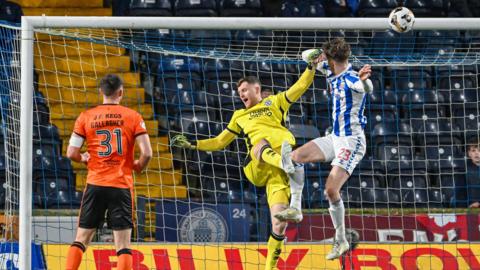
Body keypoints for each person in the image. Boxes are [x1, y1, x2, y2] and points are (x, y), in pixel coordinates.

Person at [171, 50, 321, 270]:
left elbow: (299, 87)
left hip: (277, 175)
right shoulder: (239, 116)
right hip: (257, 165)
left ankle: (269, 267)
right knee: (259, 143)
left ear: (256, 88)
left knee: (279, 223)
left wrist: (311, 67)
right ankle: (284, 161)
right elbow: (220, 141)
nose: (240, 94)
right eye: (239, 92)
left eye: (243, 90)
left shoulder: (275, 102)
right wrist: (193, 144)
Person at [288, 38, 373, 260]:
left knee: (330, 190)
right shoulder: (329, 69)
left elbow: (365, 87)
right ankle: (296, 208)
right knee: (294, 157)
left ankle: (341, 239)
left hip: (352, 141)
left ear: (331, 59)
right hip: (335, 137)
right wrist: (319, 54)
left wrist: (365, 81)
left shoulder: (353, 78)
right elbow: (306, 55)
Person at [65, 74, 152, 270]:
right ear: (120, 92)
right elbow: (147, 153)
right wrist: (137, 166)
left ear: (100, 92)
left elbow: (71, 152)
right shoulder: (133, 116)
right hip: (121, 186)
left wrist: (83, 158)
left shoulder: (85, 116)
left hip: (95, 184)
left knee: (81, 240)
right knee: (123, 246)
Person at [465, 136, 480, 208]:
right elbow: (460, 190)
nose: (477, 153)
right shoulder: (464, 170)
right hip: (469, 206)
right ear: (469, 153)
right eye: (473, 150)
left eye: (479, 150)